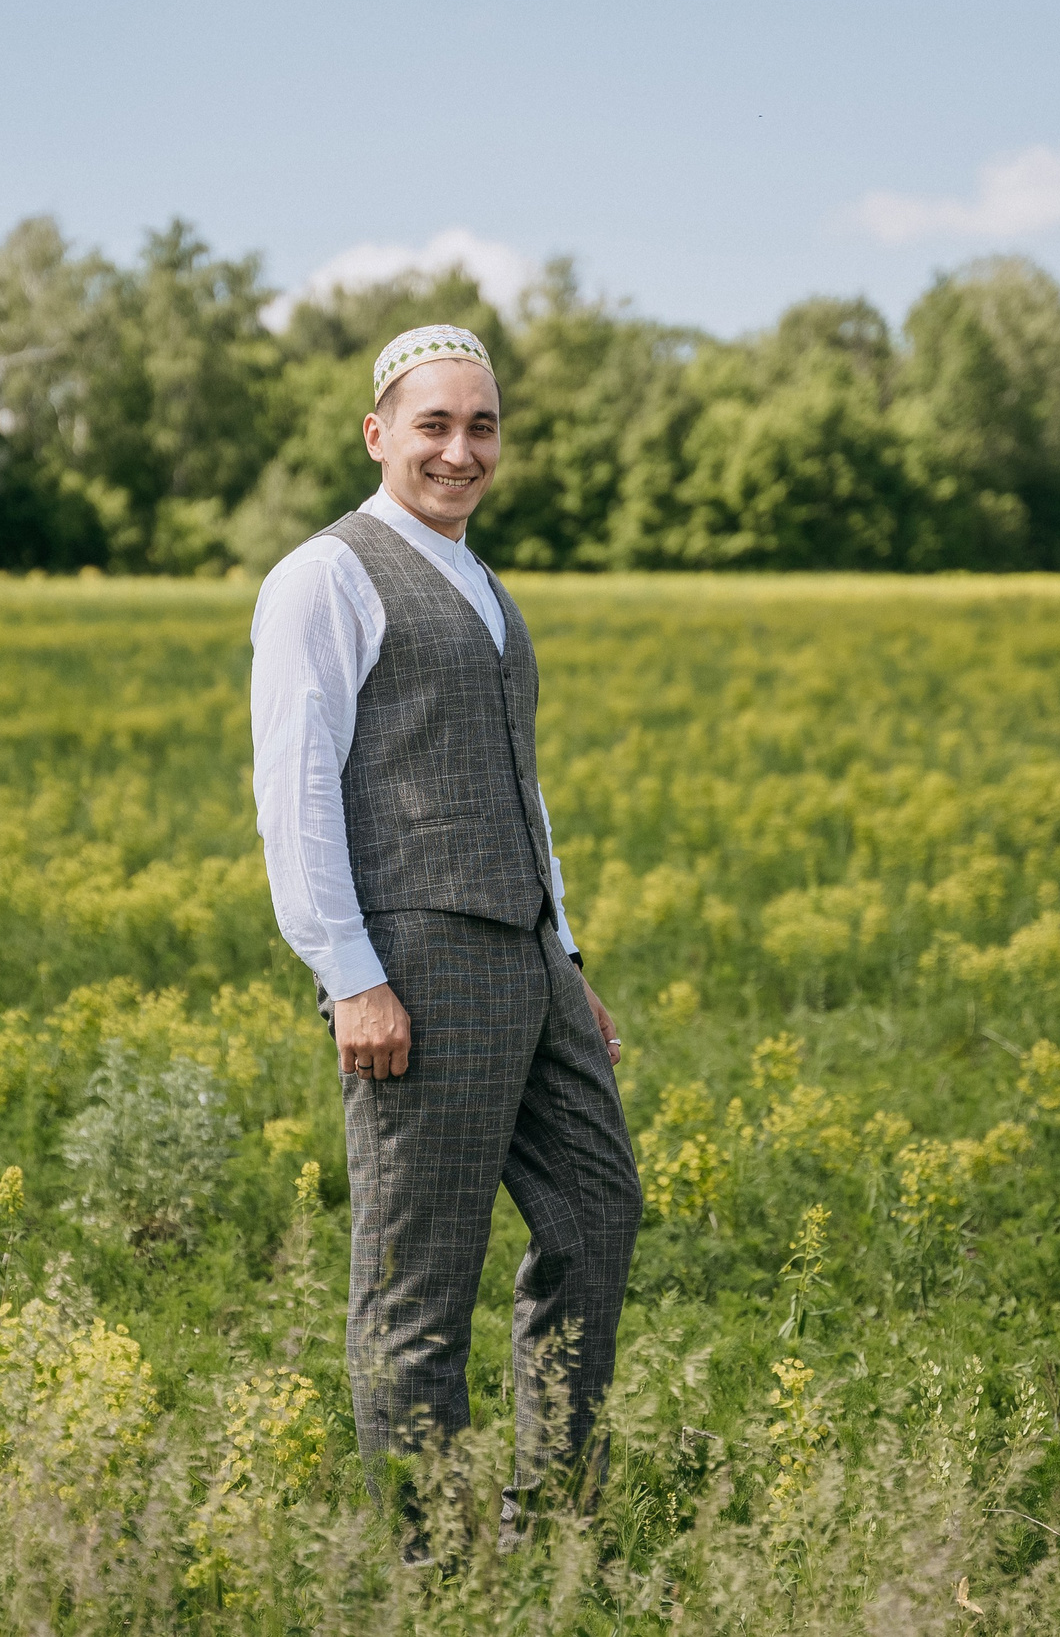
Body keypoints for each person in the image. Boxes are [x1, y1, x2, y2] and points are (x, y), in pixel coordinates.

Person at [249, 323, 643, 1553]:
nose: (460, 449)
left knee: (596, 1210)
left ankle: (546, 1513)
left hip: (526, 956)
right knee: (420, 1275)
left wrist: (565, 957)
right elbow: (295, 786)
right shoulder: (327, 572)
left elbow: (516, 787)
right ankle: (433, 1553)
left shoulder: (483, 582)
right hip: (414, 960)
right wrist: (350, 976)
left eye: (481, 425)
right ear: (378, 434)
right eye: (434, 423)